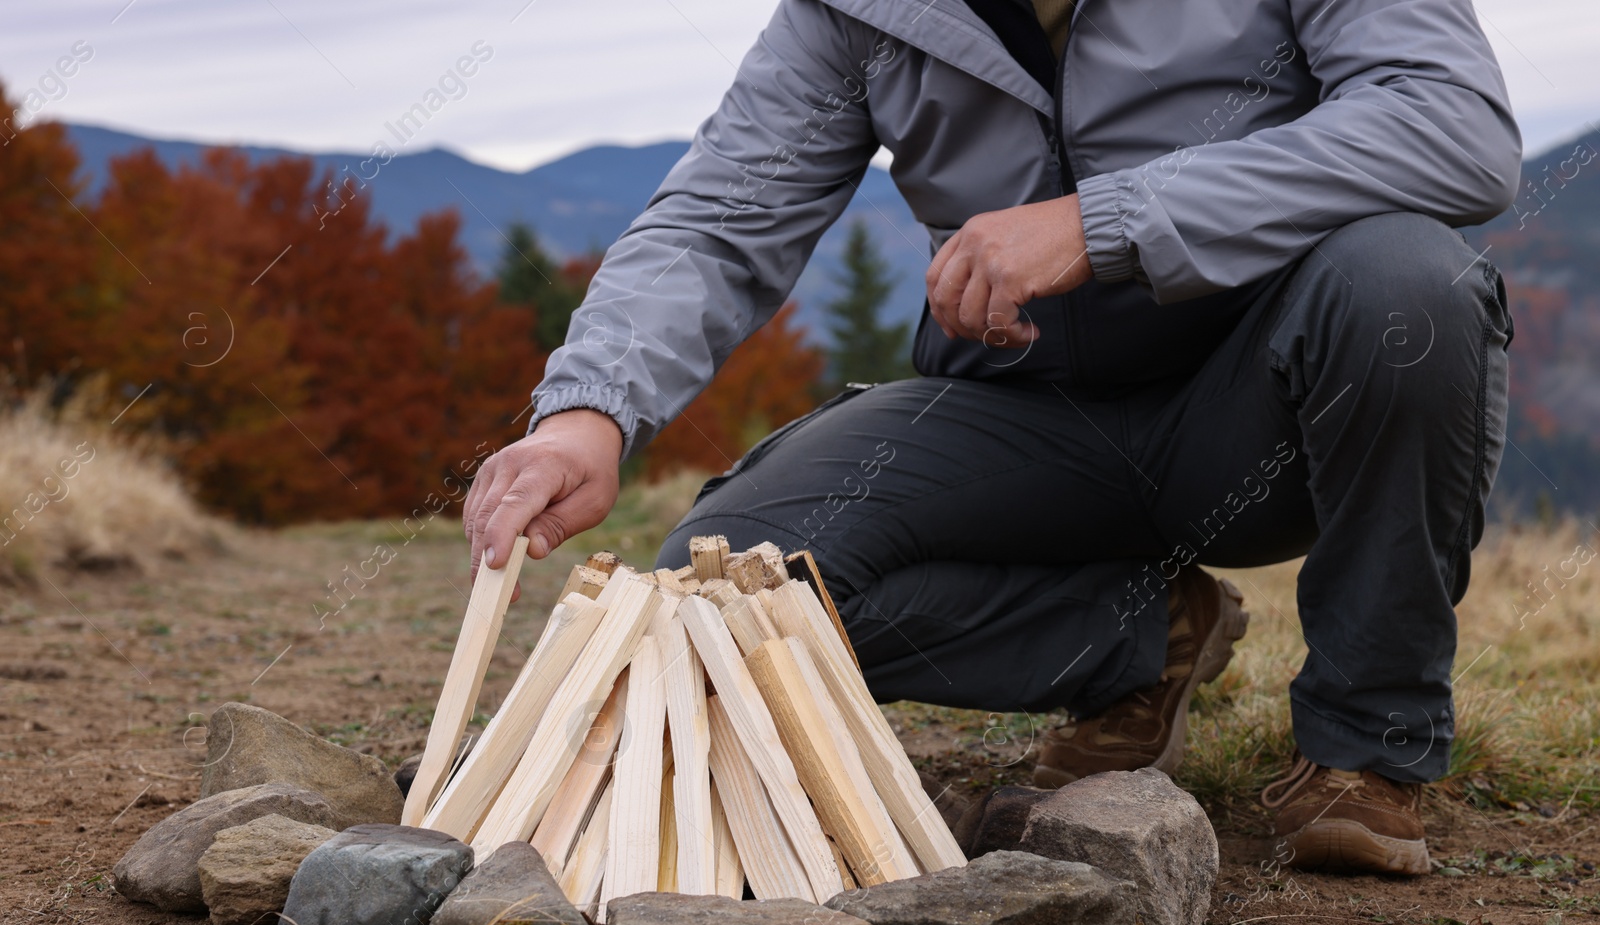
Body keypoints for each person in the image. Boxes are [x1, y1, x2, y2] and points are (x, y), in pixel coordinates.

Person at [463, 0, 1518, 877]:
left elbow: (1449, 128)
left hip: (1261, 408)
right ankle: (1140, 634)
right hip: (1024, 415)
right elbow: (722, 215)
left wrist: (1106, 220)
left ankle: (1364, 749)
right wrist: (585, 412)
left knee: (1410, 286)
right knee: (728, 594)